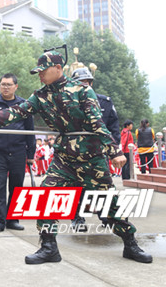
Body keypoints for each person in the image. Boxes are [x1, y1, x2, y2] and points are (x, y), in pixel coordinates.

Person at [0, 51, 152, 265]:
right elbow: (16, 112)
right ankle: (49, 248)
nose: (40, 76)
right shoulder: (40, 96)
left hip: (91, 159)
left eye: (43, 71)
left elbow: (97, 123)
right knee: (45, 198)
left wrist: (115, 151)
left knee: (107, 205)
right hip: (64, 159)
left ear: (57, 68)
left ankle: (130, 243)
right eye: (37, 72)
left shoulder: (82, 91)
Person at [0, 73, 36, 234]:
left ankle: (13, 219)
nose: (5, 87)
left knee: (16, 187)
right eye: (3, 84)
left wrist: (31, 154)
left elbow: (30, 130)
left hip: (19, 151)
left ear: (15, 86)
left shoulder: (24, 105)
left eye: (8, 84)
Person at [71, 67, 122, 229]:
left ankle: (106, 217)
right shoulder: (69, 104)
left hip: (99, 153)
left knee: (103, 186)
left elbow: (113, 127)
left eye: (86, 82)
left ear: (91, 83)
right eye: (79, 83)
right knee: (78, 186)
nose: (83, 85)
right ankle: (77, 218)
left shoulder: (105, 102)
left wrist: (114, 149)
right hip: (77, 153)